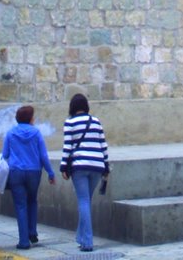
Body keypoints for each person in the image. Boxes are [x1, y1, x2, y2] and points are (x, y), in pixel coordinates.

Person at [59, 93, 110, 253]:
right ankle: (81, 237)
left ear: (72, 107)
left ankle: (87, 242)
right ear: (86, 106)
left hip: (80, 166)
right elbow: (103, 145)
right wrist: (106, 166)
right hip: (97, 166)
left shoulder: (70, 123)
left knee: (83, 201)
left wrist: (63, 168)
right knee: (86, 200)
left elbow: (67, 147)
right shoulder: (96, 121)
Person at [2, 105, 55, 250]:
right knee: (32, 201)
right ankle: (33, 232)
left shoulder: (11, 133)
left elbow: (5, 154)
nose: (34, 118)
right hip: (34, 172)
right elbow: (43, 156)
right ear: (30, 118)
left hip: (16, 172)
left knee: (20, 205)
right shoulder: (36, 133)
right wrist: (50, 173)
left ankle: (24, 241)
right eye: (33, 116)